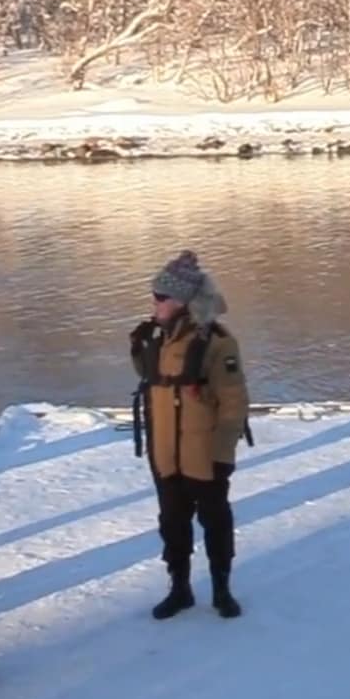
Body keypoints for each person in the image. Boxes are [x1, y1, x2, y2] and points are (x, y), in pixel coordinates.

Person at [130, 250, 251, 620]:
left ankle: (221, 589)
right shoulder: (158, 337)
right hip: (166, 453)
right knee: (172, 525)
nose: (154, 302)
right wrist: (139, 344)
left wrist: (222, 454)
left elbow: (234, 402)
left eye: (160, 297)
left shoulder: (216, 342)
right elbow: (152, 380)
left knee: (215, 522)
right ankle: (179, 588)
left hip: (205, 455)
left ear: (182, 302)